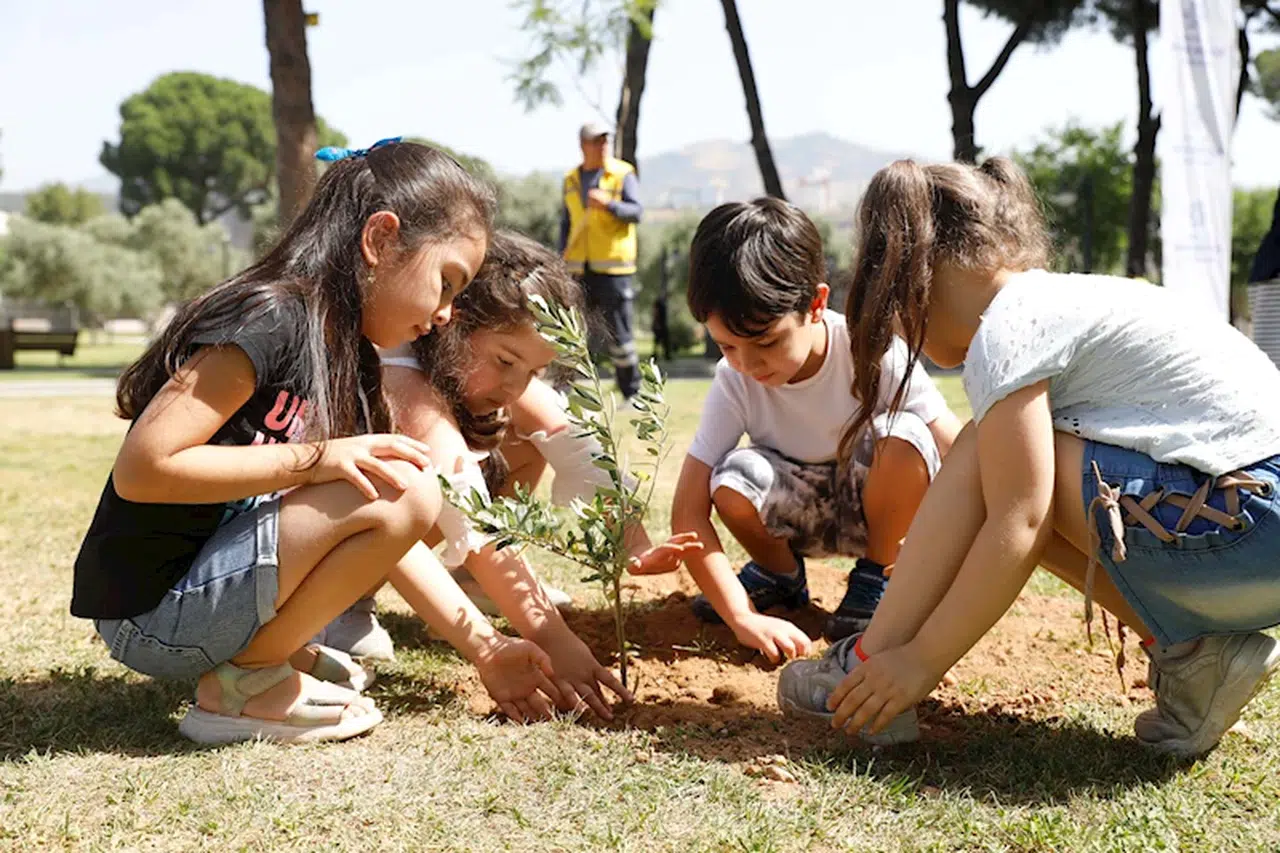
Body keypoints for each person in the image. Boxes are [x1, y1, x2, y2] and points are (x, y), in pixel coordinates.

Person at [778, 157, 1280, 757]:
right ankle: (1200, 661)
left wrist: (921, 661)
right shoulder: (1059, 299)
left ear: (914, 274)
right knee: (996, 456)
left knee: (995, 467)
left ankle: (868, 664)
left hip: (1253, 519)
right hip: (1252, 528)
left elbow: (1023, 517)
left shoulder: (1008, 326)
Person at [71, 140, 563, 743]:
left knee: (401, 488)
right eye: (446, 282)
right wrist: (317, 459)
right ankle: (246, 680)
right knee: (403, 485)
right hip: (150, 614)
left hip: (204, 596)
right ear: (380, 241)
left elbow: (387, 524)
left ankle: (259, 659)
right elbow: (145, 468)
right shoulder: (268, 318)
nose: (444, 314)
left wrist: (486, 648)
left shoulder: (349, 357)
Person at [670, 198, 963, 663]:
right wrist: (742, 617)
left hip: (880, 516)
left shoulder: (870, 350)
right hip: (797, 516)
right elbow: (687, 514)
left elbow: (954, 445)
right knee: (731, 479)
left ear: (816, 303)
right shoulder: (734, 382)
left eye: (766, 342)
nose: (747, 364)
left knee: (903, 435)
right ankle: (779, 576)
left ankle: (876, 579)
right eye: (726, 345)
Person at [375, 232, 699, 648]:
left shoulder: (499, 368)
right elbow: (464, 501)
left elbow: (574, 443)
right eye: (506, 362)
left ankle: (475, 580)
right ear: (452, 321)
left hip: (392, 537)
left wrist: (633, 545)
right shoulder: (402, 371)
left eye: (533, 371)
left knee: (528, 437)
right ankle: (342, 607)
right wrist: (554, 639)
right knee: (424, 483)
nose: (514, 385)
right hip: (334, 542)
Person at [559, 121, 643, 400]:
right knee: (577, 331)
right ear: (583, 145)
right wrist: (561, 256)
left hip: (614, 268)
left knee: (620, 334)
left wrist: (608, 204)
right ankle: (575, 395)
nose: (603, 145)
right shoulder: (571, 178)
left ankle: (631, 394)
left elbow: (636, 212)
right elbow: (567, 222)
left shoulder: (622, 173)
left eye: (606, 140)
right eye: (597, 141)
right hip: (578, 268)